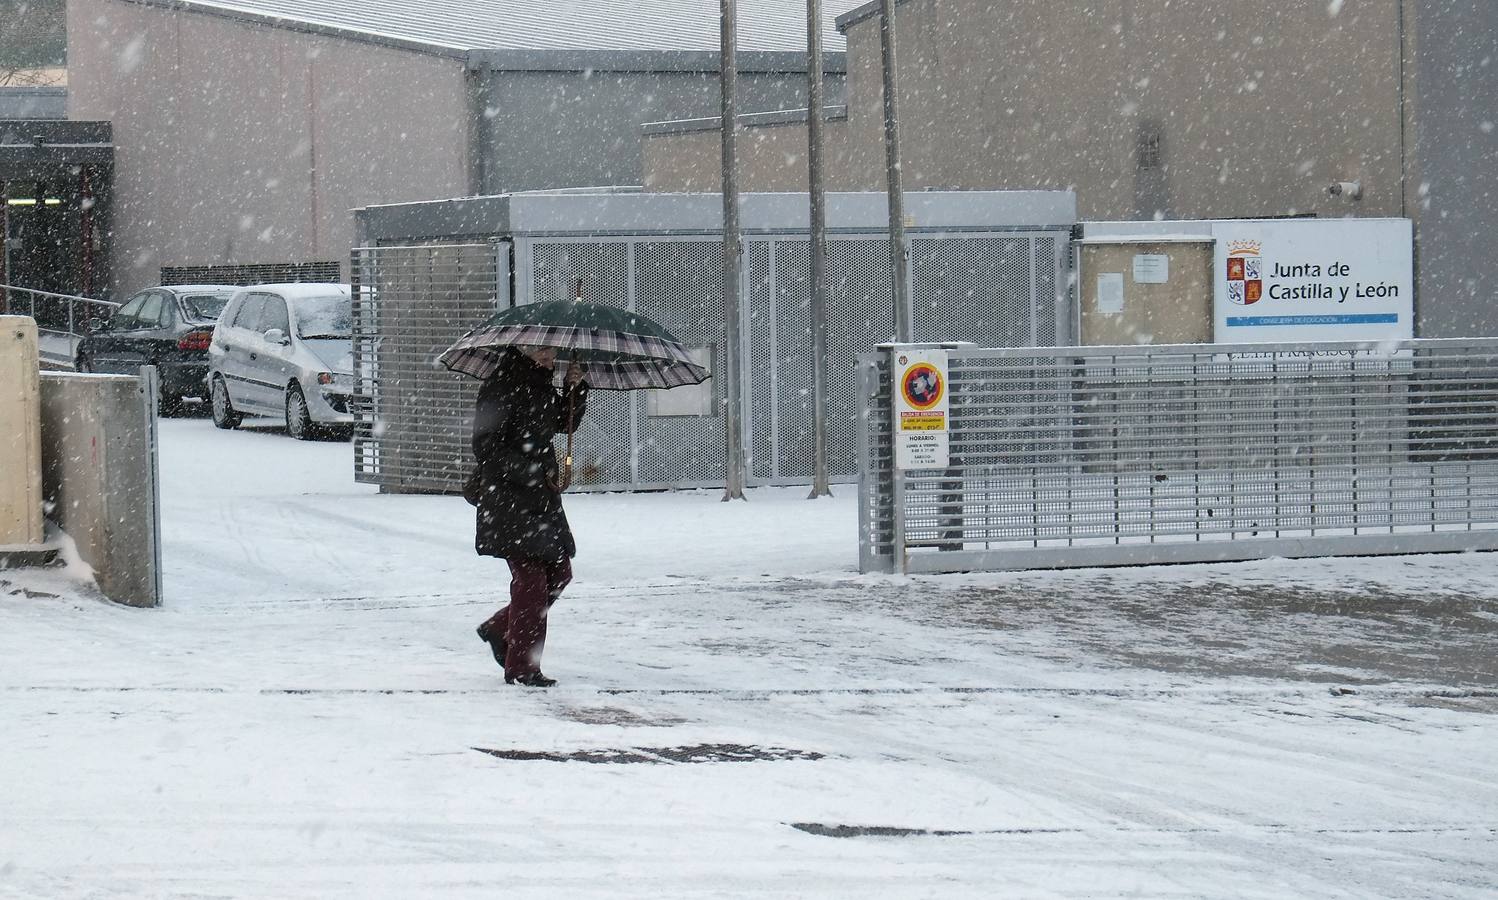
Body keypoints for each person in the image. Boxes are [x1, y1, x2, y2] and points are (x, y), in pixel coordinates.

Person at [472, 345, 587, 687]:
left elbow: (563, 424)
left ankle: (499, 628)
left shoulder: (541, 384)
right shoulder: (501, 385)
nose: (549, 354)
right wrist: (531, 470)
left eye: (551, 349)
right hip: (508, 499)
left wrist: (574, 390)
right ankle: (522, 666)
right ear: (522, 349)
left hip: (540, 498)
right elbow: (485, 446)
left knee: (560, 573)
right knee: (532, 582)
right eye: (541, 348)